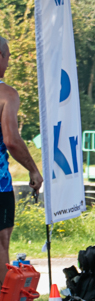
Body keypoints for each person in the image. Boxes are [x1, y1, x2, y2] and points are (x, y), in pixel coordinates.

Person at [0, 36, 43, 285]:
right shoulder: (6, 95)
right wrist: (34, 170)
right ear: (2, 56)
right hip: (0, 185)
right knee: (1, 242)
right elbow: (12, 141)